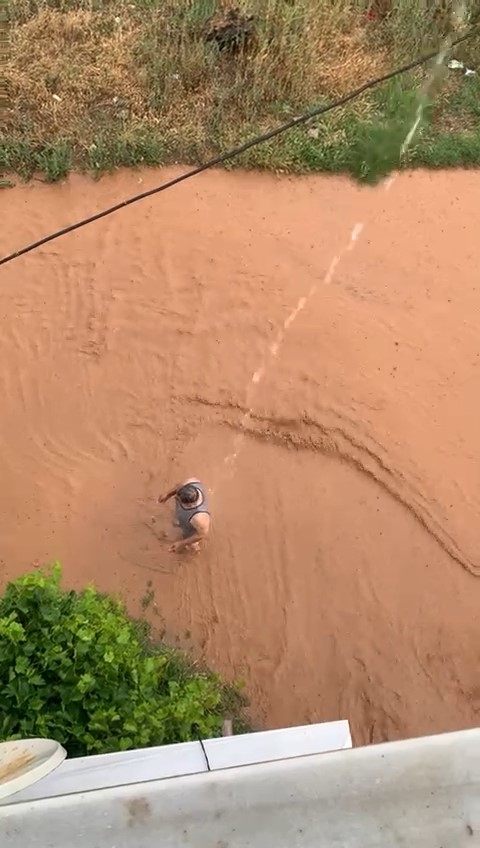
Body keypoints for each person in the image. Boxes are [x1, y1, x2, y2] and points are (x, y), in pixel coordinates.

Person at [158, 478, 210, 553]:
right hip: (184, 515)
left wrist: (182, 543)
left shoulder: (199, 518)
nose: (176, 497)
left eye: (178, 499)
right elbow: (178, 486)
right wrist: (167, 494)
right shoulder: (191, 482)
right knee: (176, 523)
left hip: (192, 527)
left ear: (189, 504)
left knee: (192, 547)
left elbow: (201, 535)